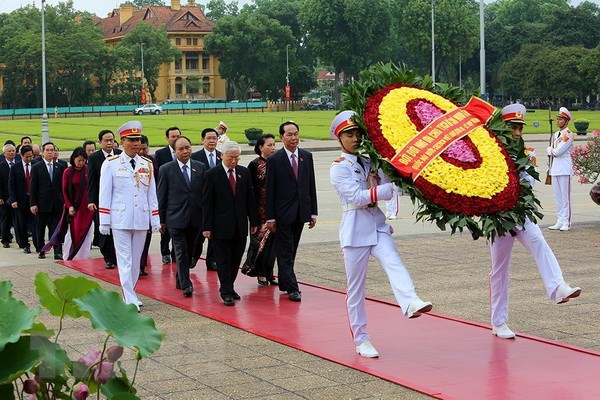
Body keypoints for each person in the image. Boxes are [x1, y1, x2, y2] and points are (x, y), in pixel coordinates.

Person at [329, 111, 433, 358]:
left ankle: (410, 301)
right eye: (349, 135)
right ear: (339, 138)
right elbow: (357, 197)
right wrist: (389, 189)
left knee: (393, 260)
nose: (355, 139)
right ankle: (361, 338)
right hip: (355, 230)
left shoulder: (370, 161)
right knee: (355, 290)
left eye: (357, 134)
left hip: (377, 224)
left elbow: (396, 183)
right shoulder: (339, 168)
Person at [490, 104, 581, 339]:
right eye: (513, 128)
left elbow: (529, 182)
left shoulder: (524, 152)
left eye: (520, 128)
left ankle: (557, 287)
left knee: (540, 243)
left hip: (521, 213)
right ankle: (498, 322)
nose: (518, 133)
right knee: (499, 270)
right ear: (504, 127)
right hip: (500, 219)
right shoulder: (491, 150)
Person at [98, 121, 159, 311]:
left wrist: (155, 219)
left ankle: (131, 293)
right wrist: (104, 221)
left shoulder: (146, 164)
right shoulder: (111, 164)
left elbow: (152, 194)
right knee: (124, 259)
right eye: (130, 140)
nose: (135, 143)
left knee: (136, 260)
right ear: (121, 142)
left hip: (140, 218)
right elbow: (105, 193)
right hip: (120, 218)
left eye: (138, 139)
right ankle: (129, 298)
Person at [265, 121, 318, 302]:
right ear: (281, 137)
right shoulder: (274, 159)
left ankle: (285, 282)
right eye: (289, 134)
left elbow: (310, 185)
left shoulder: (306, 156)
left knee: (291, 250)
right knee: (285, 251)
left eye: (295, 134)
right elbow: (269, 190)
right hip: (282, 214)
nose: (293, 138)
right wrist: (270, 217)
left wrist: (313, 212)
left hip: (301, 212)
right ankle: (293, 288)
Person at [202, 141, 258, 306]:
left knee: (235, 260)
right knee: (223, 260)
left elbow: (250, 199)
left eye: (237, 158)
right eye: (230, 157)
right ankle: (225, 291)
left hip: (240, 226)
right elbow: (207, 203)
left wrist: (253, 221)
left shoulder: (244, 173)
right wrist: (207, 227)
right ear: (222, 156)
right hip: (220, 226)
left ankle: (230, 286)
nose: (234, 161)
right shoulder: (212, 174)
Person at [157, 136, 206, 296]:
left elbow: (204, 194)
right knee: (180, 251)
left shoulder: (200, 167)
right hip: (175, 219)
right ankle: (186, 284)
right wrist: (162, 220)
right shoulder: (166, 169)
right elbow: (161, 196)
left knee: (191, 250)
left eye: (187, 148)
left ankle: (180, 278)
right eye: (181, 149)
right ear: (175, 151)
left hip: (196, 218)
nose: (185, 151)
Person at [242, 134, 278, 286]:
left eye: (273, 144)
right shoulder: (254, 164)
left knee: (273, 246)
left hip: (275, 211)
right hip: (259, 211)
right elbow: (249, 191)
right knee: (259, 244)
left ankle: (269, 273)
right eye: (269, 145)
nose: (272, 148)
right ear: (260, 147)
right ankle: (259, 273)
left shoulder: (278, 162)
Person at [88, 129, 122, 269]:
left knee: (119, 229)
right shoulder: (94, 158)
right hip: (101, 200)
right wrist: (91, 200)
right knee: (104, 229)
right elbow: (92, 181)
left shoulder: (120, 155)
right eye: (106, 141)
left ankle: (118, 256)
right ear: (100, 142)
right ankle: (108, 257)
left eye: (112, 140)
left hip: (119, 199)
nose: (109, 143)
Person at [191, 128, 222, 271]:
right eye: (208, 138)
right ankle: (194, 256)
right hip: (201, 202)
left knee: (215, 234)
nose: (211, 141)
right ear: (202, 139)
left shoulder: (222, 156)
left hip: (218, 202)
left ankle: (212, 260)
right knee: (199, 234)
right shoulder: (195, 157)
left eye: (214, 138)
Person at [29, 142, 66, 260]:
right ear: (42, 152)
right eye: (47, 150)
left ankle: (57, 251)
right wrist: (33, 204)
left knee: (56, 230)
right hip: (42, 204)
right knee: (40, 229)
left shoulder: (60, 167)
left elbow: (63, 187)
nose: (50, 152)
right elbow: (33, 187)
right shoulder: (36, 167)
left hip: (57, 204)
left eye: (52, 150)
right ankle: (41, 249)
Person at [154, 126, 182, 265]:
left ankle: (175, 254)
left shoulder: (185, 152)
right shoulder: (160, 153)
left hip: (179, 194)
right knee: (165, 228)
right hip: (165, 192)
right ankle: (165, 252)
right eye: (173, 136)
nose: (176, 139)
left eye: (178, 136)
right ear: (167, 138)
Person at [547, 107, 574, 231]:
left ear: (566, 121)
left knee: (565, 197)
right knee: (557, 196)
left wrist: (550, 150)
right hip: (556, 168)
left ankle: (566, 222)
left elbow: (558, 151)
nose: (558, 121)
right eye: (557, 119)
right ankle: (559, 220)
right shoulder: (556, 134)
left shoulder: (568, 134)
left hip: (564, 167)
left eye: (561, 119)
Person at [8, 145, 37, 253]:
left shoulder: (36, 165)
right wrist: (13, 199)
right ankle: (25, 245)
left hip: (34, 200)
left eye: (31, 156)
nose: (29, 159)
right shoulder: (15, 167)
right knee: (22, 224)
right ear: (21, 156)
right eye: (27, 157)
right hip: (21, 200)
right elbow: (11, 185)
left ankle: (38, 244)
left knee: (35, 223)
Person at [138, 135, 158, 276]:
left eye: (144, 149)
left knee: (146, 237)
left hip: (148, 205)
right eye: (139, 149)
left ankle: (141, 265)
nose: (141, 152)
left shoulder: (150, 162)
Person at [0, 144, 17, 247]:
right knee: (5, 219)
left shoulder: (18, 165)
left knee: (17, 220)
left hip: (16, 196)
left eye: (13, 151)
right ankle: (5, 239)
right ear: (4, 153)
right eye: (9, 151)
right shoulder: (1, 166)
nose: (12, 153)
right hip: (5, 197)